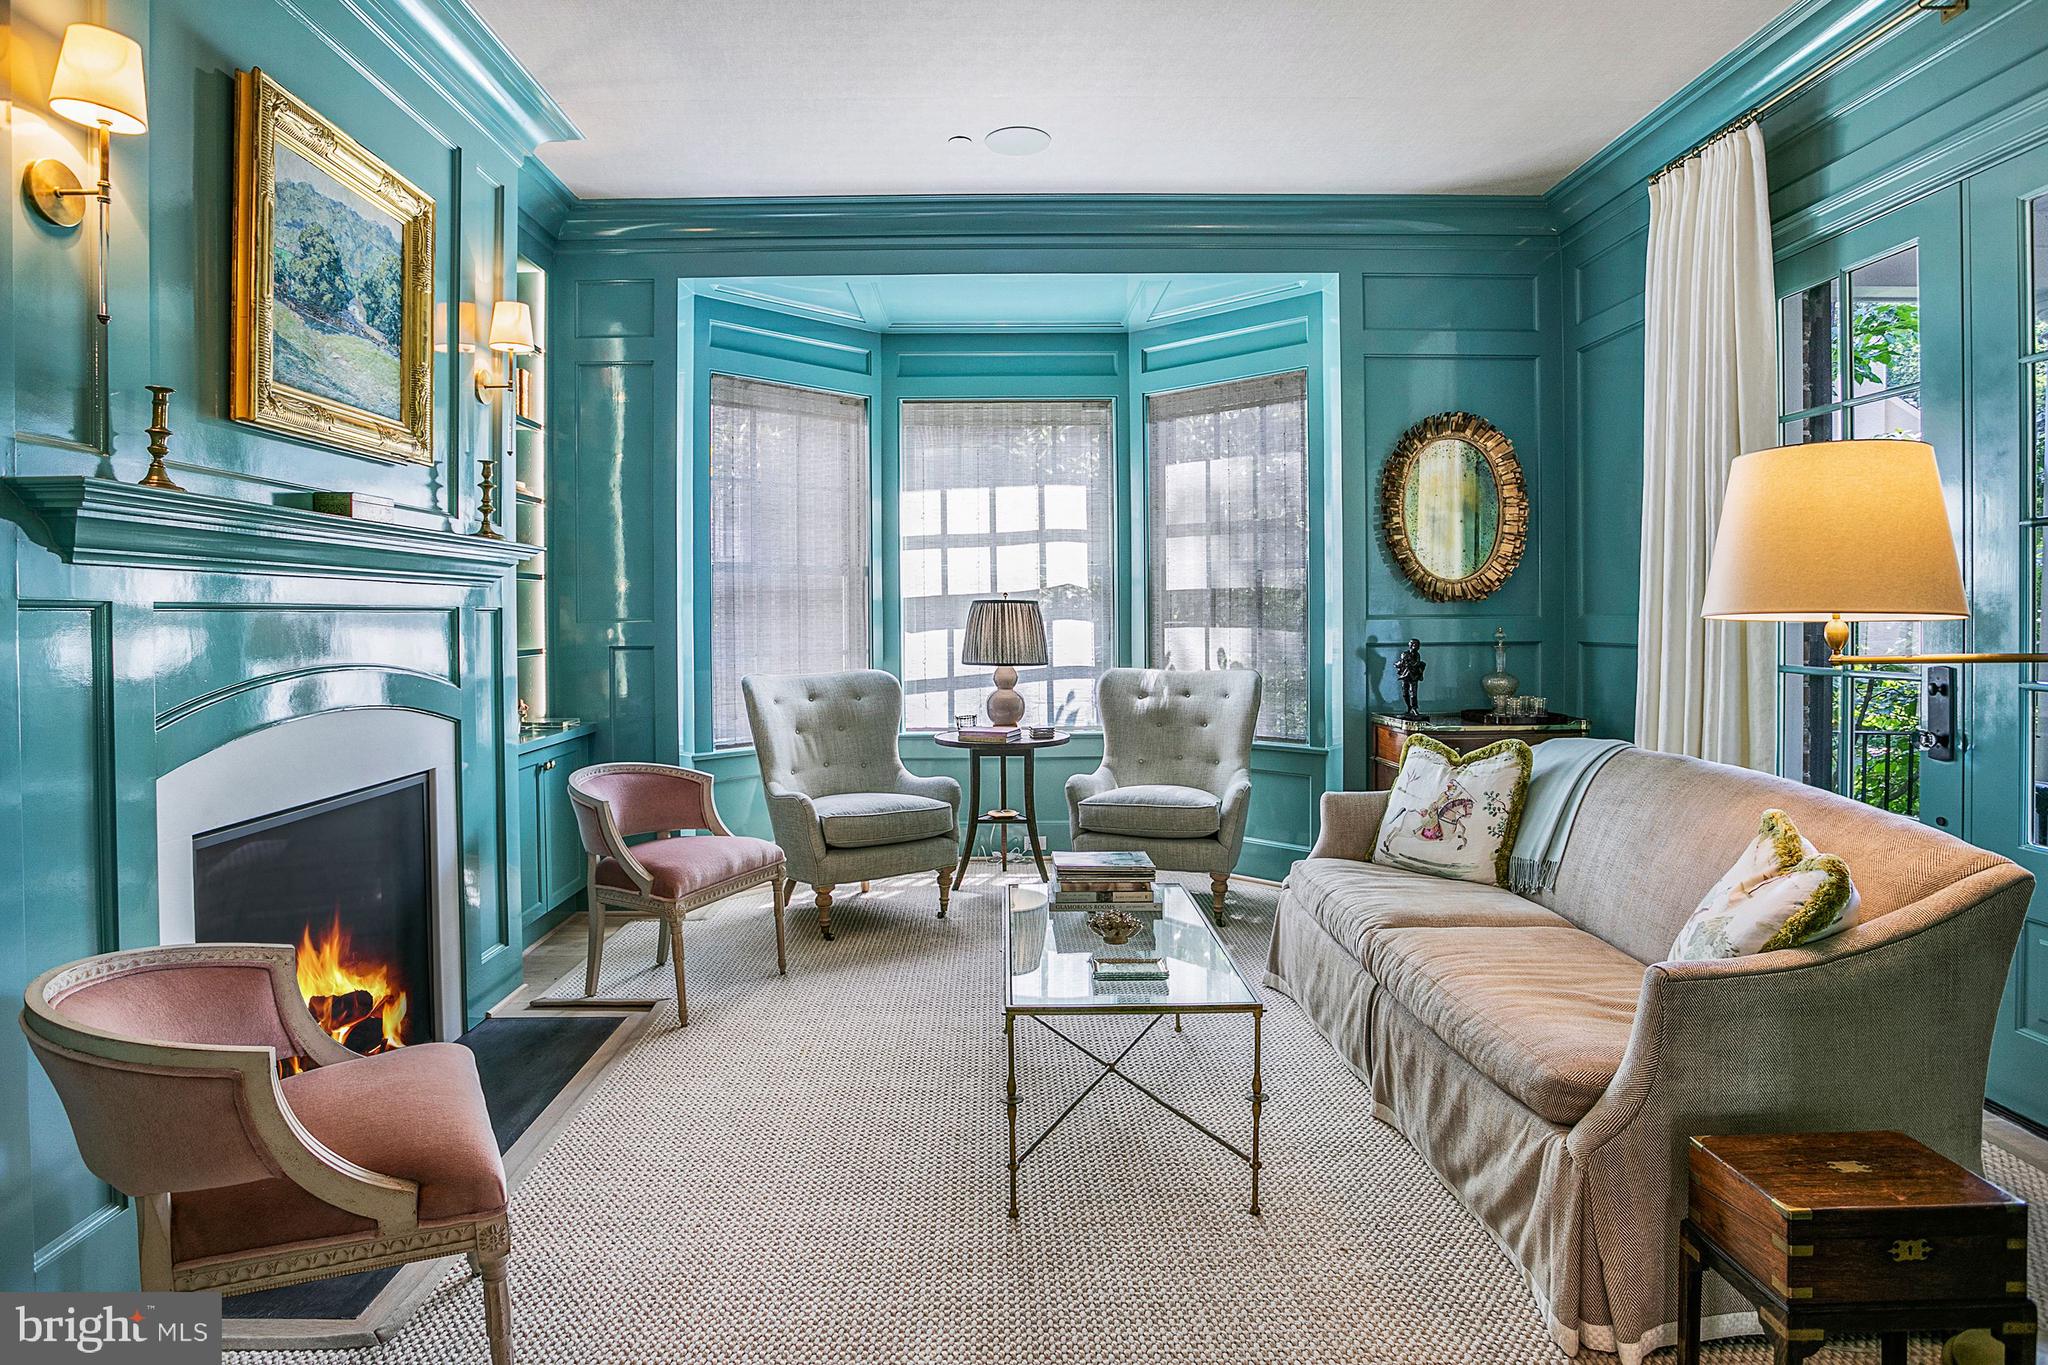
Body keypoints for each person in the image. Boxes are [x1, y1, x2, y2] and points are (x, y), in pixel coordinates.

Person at [1394, 639, 1426, 719]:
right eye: (1413, 644)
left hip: (1413, 676)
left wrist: (1415, 666)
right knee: (1405, 692)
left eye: (1416, 645)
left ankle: (1414, 708)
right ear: (1410, 645)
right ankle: (1409, 707)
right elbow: (1401, 663)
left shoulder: (1417, 655)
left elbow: (1416, 664)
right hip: (1406, 675)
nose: (1415, 646)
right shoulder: (1405, 654)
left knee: (1413, 693)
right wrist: (1397, 665)